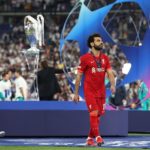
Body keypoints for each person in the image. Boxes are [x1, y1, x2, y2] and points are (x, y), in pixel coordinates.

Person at [73, 33, 115, 146]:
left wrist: (112, 85)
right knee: (94, 113)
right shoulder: (85, 58)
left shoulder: (105, 58)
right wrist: (76, 93)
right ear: (92, 44)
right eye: (98, 41)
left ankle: (89, 138)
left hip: (101, 92)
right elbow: (78, 76)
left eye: (101, 40)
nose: (101, 42)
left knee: (98, 115)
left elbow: (110, 73)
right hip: (90, 91)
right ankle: (98, 137)